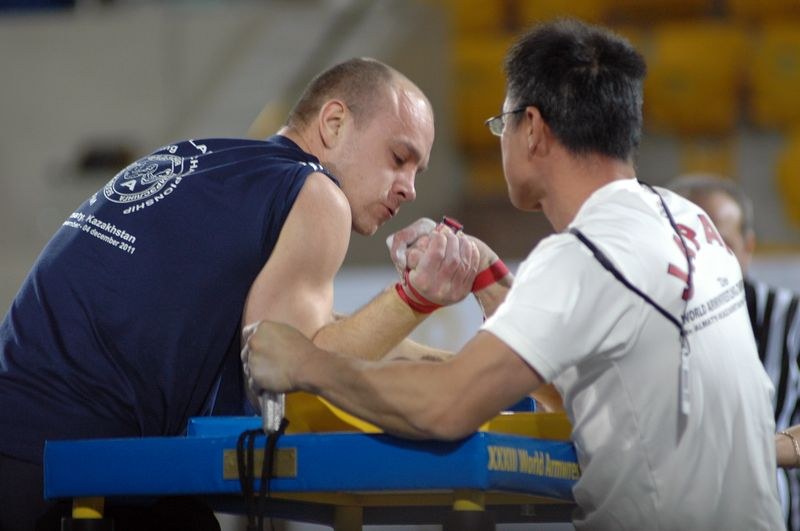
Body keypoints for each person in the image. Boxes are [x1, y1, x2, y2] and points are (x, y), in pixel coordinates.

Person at [243, 19, 785, 530]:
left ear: (531, 128)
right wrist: (482, 269)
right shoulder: (688, 220)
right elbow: (565, 374)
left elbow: (446, 406)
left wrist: (305, 361)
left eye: (501, 122)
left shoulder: (584, 254)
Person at [0, 57, 495, 531]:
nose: (408, 188)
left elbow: (304, 332)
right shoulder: (317, 194)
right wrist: (417, 298)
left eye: (418, 171)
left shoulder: (205, 159)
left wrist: (450, 368)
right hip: (62, 472)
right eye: (398, 157)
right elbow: (293, 370)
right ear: (335, 123)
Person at [668, 173, 800, 530]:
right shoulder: (647, 319)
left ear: (748, 246)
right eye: (688, 242)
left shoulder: (790, 319)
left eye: (721, 243)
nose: (703, 257)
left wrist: (754, 451)